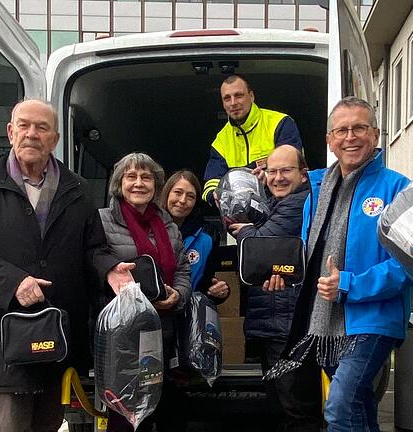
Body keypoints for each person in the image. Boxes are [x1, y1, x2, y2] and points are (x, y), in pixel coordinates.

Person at [0, 99, 120, 432]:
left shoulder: (78, 189)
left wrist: (110, 268)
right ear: (11, 132)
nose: (31, 134)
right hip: (9, 335)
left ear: (54, 138)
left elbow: (93, 248)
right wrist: (14, 282)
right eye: (24, 125)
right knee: (12, 423)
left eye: (41, 128)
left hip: (59, 332)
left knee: (50, 423)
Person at [266, 97, 413, 432]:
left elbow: (407, 264)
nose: (351, 136)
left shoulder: (398, 188)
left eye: (359, 127)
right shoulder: (316, 193)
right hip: (325, 321)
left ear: (375, 135)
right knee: (358, 408)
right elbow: (308, 257)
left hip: (374, 318)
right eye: (342, 130)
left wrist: (349, 284)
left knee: (340, 406)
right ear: (329, 140)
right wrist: (283, 275)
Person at [227, 144, 322, 432]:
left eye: (286, 170)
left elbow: (259, 247)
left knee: (295, 409)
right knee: (280, 407)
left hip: (287, 327)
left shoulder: (298, 204)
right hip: (277, 323)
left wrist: (243, 229)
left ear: (304, 175)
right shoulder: (280, 203)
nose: (277, 177)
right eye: (272, 171)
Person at [98, 153, 192, 432]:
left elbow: (183, 270)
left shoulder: (168, 225)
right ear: (119, 183)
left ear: (156, 185)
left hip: (163, 332)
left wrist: (179, 295)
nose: (139, 183)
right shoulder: (101, 222)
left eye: (146, 177)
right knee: (125, 418)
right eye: (131, 176)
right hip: (122, 340)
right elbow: (90, 266)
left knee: (164, 413)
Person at [202, 74, 303, 204]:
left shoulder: (280, 123)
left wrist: (267, 176)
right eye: (227, 98)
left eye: (238, 95)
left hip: (285, 205)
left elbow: (295, 170)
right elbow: (212, 181)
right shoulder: (221, 140)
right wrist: (215, 194)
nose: (233, 103)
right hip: (241, 212)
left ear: (251, 96)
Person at [161, 170, 230, 305]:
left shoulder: (208, 236)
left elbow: (207, 283)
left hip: (188, 313)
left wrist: (219, 292)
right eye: (178, 192)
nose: (182, 200)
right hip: (151, 308)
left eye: (190, 196)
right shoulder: (147, 226)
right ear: (166, 193)